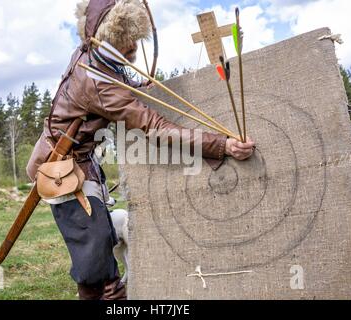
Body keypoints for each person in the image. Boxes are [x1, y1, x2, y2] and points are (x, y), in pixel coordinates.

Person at [26, 0, 255, 300]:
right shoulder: (98, 83)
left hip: (79, 164)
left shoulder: (91, 54)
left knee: (104, 239)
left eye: (135, 38)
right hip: (62, 173)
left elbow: (118, 82)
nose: (134, 46)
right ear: (108, 38)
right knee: (95, 264)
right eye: (126, 41)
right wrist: (222, 144)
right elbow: (157, 128)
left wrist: (135, 85)